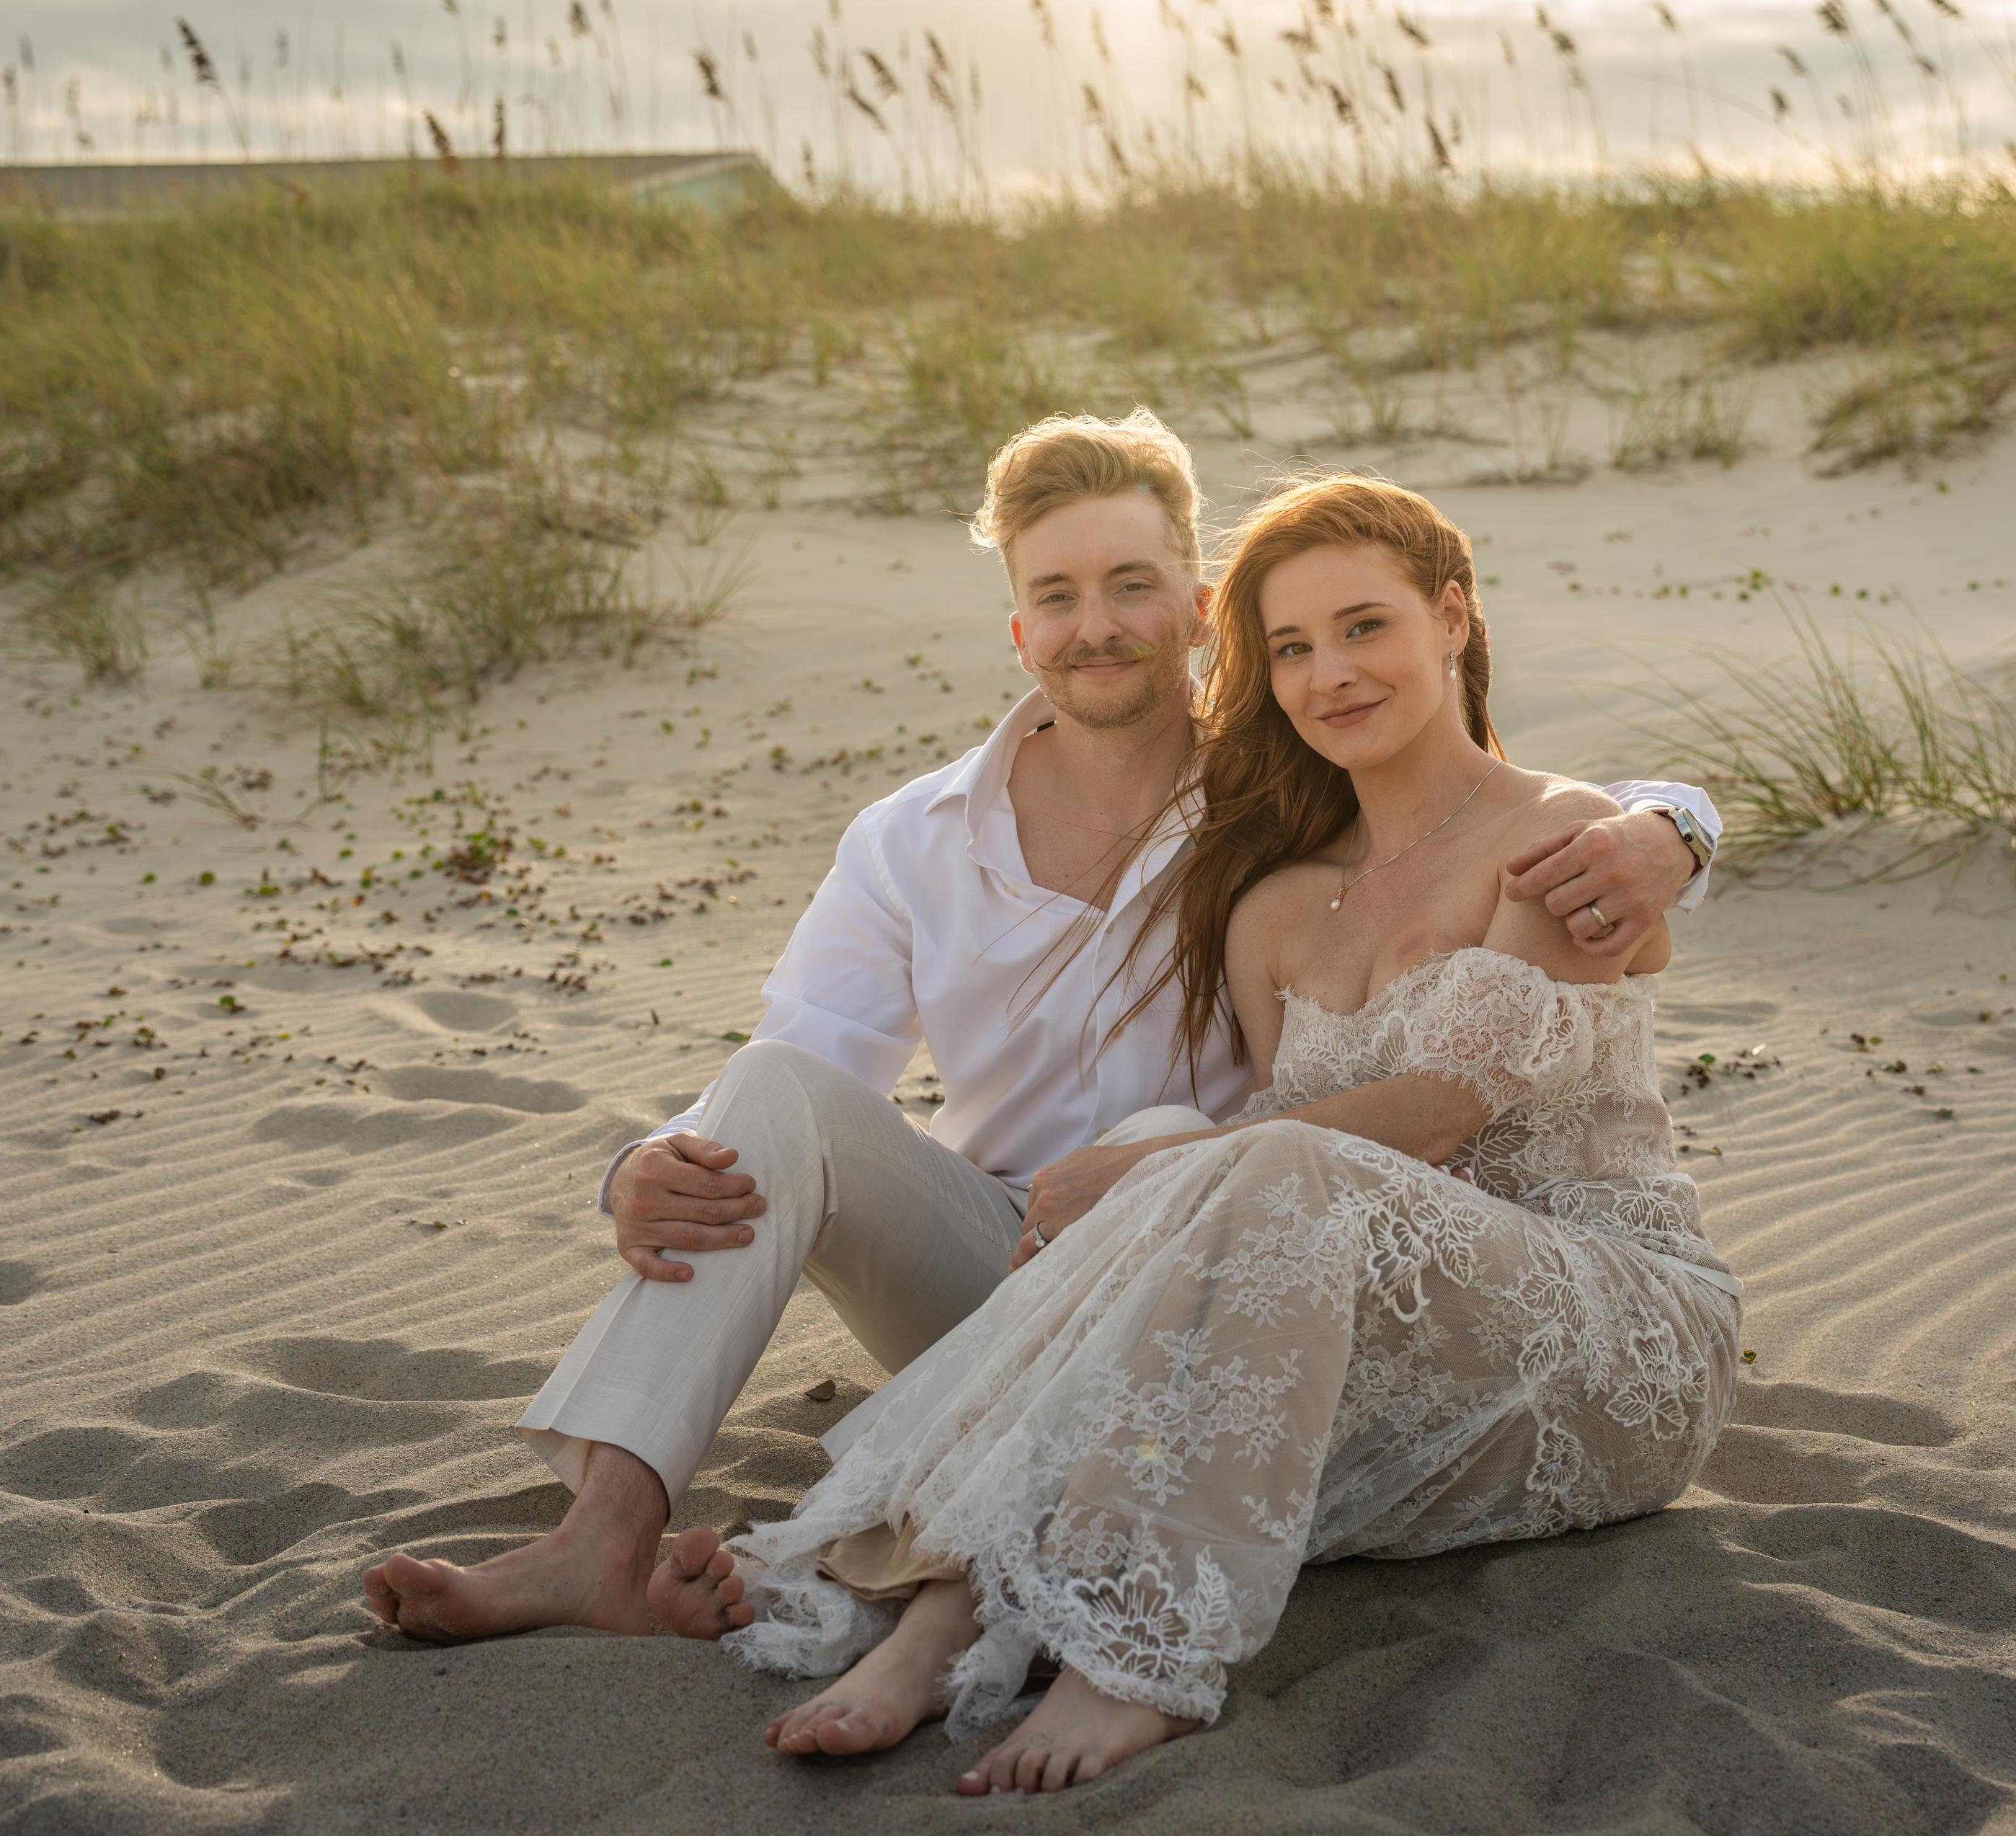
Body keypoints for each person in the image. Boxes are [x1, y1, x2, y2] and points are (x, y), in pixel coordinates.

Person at [360, 413, 1722, 1644]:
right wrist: (646, 1162)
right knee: (767, 1086)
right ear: (1019, 631)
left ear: (1197, 611)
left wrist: (1674, 829)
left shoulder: (1281, 791)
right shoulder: (911, 838)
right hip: (986, 1258)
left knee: (1170, 1128)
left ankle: (944, 1561)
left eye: (1134, 587)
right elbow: (811, 1068)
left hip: (1198, 1272)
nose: (1098, 625)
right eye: (1057, 597)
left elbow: (1474, 791)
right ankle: (597, 1543)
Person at [655, 474, 1741, 1794]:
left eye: (1365, 628)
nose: (1329, 673)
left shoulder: (1573, 835)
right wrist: (1166, 1170)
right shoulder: (1276, 907)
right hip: (1397, 1332)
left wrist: (1685, 823)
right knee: (1209, 1245)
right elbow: (1279, 1165)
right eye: (1290, 648)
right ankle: (945, 1608)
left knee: (1244, 1161)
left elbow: (1441, 1113)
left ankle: (1133, 1660)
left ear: (1453, 620)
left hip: (1603, 1324)